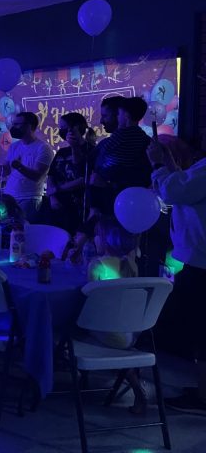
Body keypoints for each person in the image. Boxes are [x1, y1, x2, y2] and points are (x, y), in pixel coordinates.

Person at [147, 139, 206, 414]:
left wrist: (159, 164)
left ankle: (203, 398)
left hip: (201, 264)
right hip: (198, 261)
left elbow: (174, 190)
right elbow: (182, 182)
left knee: (200, 328)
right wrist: (170, 165)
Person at [84, 216, 146, 414]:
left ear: (104, 240)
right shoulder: (131, 265)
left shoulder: (97, 265)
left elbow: (89, 301)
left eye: (97, 236)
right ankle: (137, 388)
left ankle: (68, 369)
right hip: (132, 332)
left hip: (110, 334)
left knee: (68, 324)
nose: (95, 239)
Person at [0, 112, 54, 222]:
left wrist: (20, 167)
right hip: (9, 198)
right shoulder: (15, 146)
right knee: (7, 232)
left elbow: (37, 177)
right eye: (13, 124)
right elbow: (5, 171)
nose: (13, 127)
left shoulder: (43, 148)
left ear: (29, 126)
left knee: (23, 232)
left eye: (17, 124)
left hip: (29, 198)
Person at [89, 96, 151, 217]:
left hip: (123, 211)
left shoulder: (141, 144)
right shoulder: (144, 140)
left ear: (122, 114)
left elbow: (143, 180)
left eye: (105, 116)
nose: (101, 121)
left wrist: (109, 185)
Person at [47, 112, 92, 235]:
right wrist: (53, 197)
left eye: (64, 128)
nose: (62, 131)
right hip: (58, 206)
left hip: (79, 207)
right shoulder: (62, 152)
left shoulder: (91, 150)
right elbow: (51, 175)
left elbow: (85, 178)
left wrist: (58, 189)